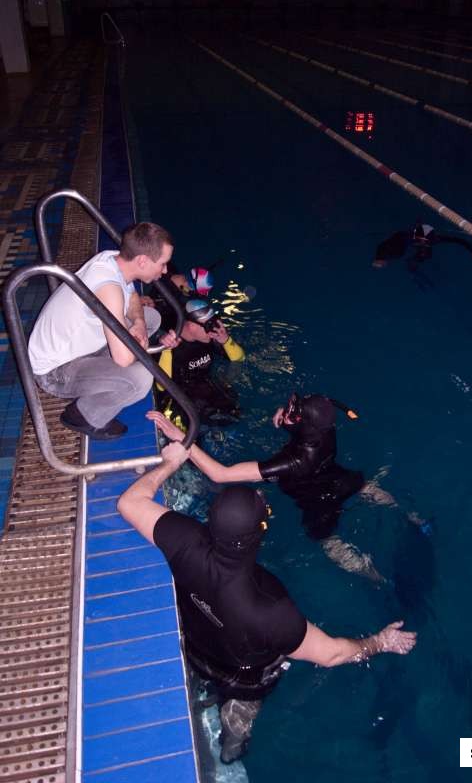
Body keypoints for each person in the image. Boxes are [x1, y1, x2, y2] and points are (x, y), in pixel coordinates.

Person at [117, 441, 417, 764]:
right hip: (242, 678)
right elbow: (332, 654)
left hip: (192, 648)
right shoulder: (271, 608)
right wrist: (379, 642)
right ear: (259, 534)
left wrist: (169, 464)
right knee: (239, 719)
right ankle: (232, 744)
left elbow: (129, 502)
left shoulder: (183, 539)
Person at [148, 393, 388, 581]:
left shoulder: (295, 461)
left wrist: (182, 437)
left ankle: (375, 576)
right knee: (366, 487)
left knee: (327, 541)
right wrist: (286, 416)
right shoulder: (326, 427)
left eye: (295, 414)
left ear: (305, 426)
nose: (290, 412)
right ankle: (413, 516)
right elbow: (306, 419)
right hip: (336, 475)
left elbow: (220, 474)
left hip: (316, 500)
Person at [28, 222, 179, 440]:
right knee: (141, 378)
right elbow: (125, 359)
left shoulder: (113, 260)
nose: (165, 270)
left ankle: (105, 374)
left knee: (150, 317)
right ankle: (83, 415)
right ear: (143, 261)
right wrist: (140, 343)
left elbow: (133, 297)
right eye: (163, 264)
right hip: (55, 371)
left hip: (77, 347)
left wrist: (138, 323)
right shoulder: (108, 289)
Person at [157, 298, 245, 429]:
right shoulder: (168, 344)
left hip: (204, 386)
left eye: (214, 322)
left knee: (235, 415)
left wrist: (226, 340)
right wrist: (166, 350)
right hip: (178, 396)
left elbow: (239, 359)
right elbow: (161, 387)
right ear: (191, 326)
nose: (213, 330)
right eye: (208, 325)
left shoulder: (209, 337)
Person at [373, 221, 472, 270]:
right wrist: (379, 258)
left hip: (414, 240)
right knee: (398, 252)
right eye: (419, 239)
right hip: (402, 239)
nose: (422, 242)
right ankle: (412, 260)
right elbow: (383, 245)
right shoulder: (406, 237)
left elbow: (459, 240)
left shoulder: (434, 240)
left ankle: (414, 261)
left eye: (424, 240)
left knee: (426, 254)